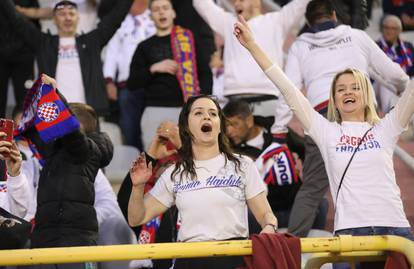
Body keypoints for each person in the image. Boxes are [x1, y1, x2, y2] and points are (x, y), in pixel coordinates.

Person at [234, 13, 414, 268]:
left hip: (395, 229)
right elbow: (287, 88)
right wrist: (252, 45)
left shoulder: (386, 128)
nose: (348, 92)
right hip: (351, 232)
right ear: (334, 99)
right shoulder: (326, 130)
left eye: (355, 87)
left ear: (367, 94)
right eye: (341, 88)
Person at [284, 0, 409, 237]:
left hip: (322, 114)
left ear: (308, 22)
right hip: (364, 113)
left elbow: (288, 88)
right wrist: (403, 89)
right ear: (334, 14)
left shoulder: (300, 44)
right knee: (376, 174)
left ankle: (289, 252)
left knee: (311, 189)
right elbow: (392, 72)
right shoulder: (356, 35)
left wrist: (280, 131)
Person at [128, 95, 277, 268]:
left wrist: (270, 226)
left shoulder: (243, 165)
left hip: (233, 259)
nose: (207, 117)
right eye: (198, 113)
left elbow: (266, 215)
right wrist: (138, 187)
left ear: (220, 126)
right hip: (190, 260)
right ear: (186, 126)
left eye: (213, 114)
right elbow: (136, 217)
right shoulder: (174, 173)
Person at [193, 0, 311, 143]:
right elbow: (201, 4)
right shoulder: (229, 23)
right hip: (235, 102)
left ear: (256, 2)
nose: (236, 4)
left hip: (269, 101)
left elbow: (301, 3)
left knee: (271, 151)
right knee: (235, 156)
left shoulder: (277, 20)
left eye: (241, 0)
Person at [0, 0, 132, 116]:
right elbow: (16, 19)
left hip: (86, 112)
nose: (67, 18)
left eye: (72, 13)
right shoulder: (43, 43)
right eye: (62, 14)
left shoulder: (93, 41)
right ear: (54, 19)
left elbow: (117, 16)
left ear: (78, 18)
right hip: (54, 113)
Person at [223, 100, 329, 230]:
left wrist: (305, 173)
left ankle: (316, 248)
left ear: (249, 121)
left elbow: (306, 150)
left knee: (321, 202)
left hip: (294, 204)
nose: (229, 131)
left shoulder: (278, 130)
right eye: (226, 126)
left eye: (234, 124)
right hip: (263, 213)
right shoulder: (230, 150)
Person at [127, 0, 212, 150]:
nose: (161, 12)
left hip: (186, 109)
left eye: (165, 8)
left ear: (173, 13)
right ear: (151, 16)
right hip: (154, 110)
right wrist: (153, 68)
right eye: (156, 9)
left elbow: (206, 74)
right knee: (154, 162)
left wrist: (202, 105)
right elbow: (132, 83)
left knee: (189, 159)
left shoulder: (189, 40)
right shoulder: (144, 47)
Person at [103, 0, 156, 150]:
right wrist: (108, 80)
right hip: (126, 85)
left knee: (152, 124)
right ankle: (137, 160)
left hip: (154, 83)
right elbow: (111, 53)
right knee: (129, 126)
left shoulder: (156, 17)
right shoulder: (120, 22)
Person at [0, 0, 39, 119]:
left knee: (25, 101)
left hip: (23, 55)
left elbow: (35, 23)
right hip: (0, 56)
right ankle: (2, 135)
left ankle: (24, 135)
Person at [375, 15, 414, 113]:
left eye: (393, 28)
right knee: (386, 83)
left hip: (404, 80)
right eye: (386, 27)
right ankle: (389, 114)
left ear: (399, 30)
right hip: (384, 83)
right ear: (382, 29)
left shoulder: (407, 46)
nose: (389, 31)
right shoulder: (376, 46)